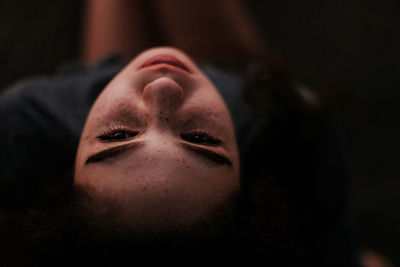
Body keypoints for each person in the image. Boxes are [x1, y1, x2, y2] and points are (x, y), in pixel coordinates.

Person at [0, 1, 359, 266]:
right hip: (237, 72)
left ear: (66, 177)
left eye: (117, 135)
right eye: (203, 140)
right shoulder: (292, 129)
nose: (163, 89)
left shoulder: (24, 125)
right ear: (246, 188)